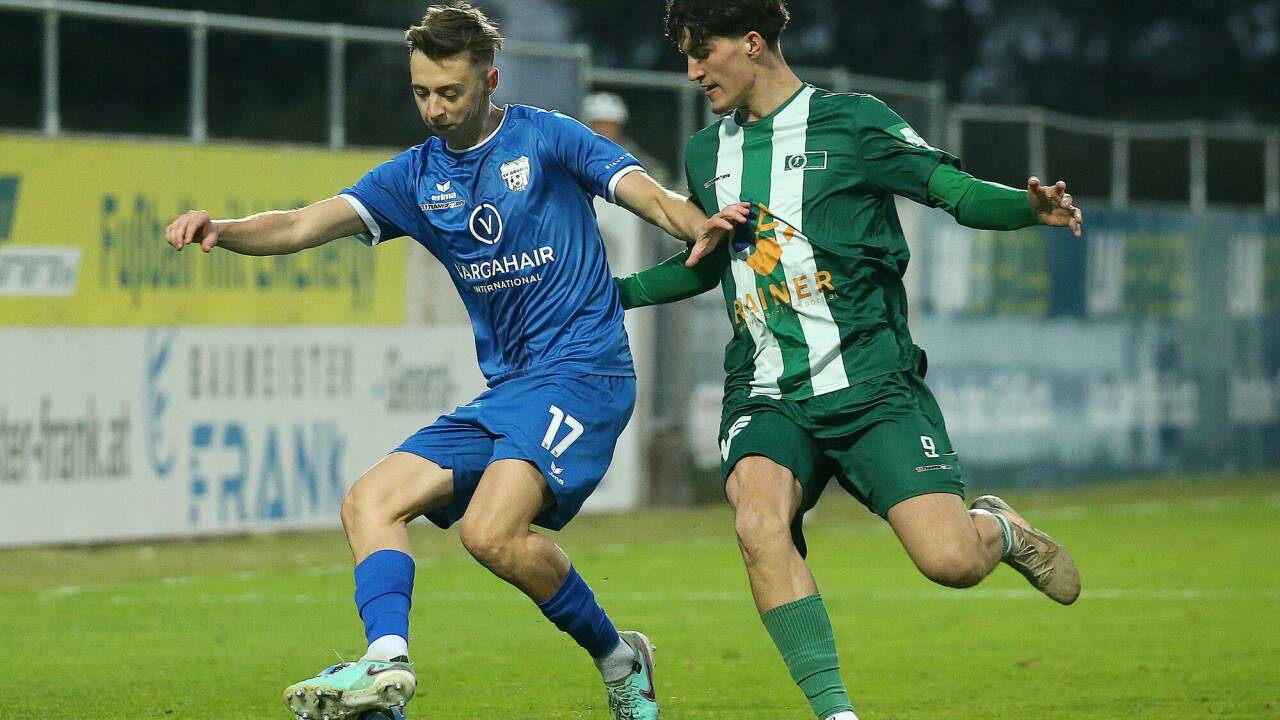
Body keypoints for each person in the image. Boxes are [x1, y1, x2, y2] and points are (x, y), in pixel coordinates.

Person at [164, 4, 745, 720]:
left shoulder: (548, 138)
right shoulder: (414, 177)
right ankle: (386, 669)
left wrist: (696, 224)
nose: (434, 110)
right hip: (510, 390)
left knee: (489, 532)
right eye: (421, 93)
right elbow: (299, 223)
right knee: (369, 503)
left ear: (489, 80)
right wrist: (219, 229)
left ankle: (621, 660)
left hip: (585, 373)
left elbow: (643, 193)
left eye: (451, 93)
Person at [613, 2, 1084, 719]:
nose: (692, 71)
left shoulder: (855, 122)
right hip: (767, 390)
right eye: (685, 55)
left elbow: (950, 191)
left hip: (872, 384)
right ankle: (837, 713)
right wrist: (614, 295)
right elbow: (708, 265)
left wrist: (1026, 207)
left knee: (950, 562)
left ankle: (1000, 529)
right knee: (755, 522)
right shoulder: (709, 154)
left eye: (702, 52)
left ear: (752, 42)